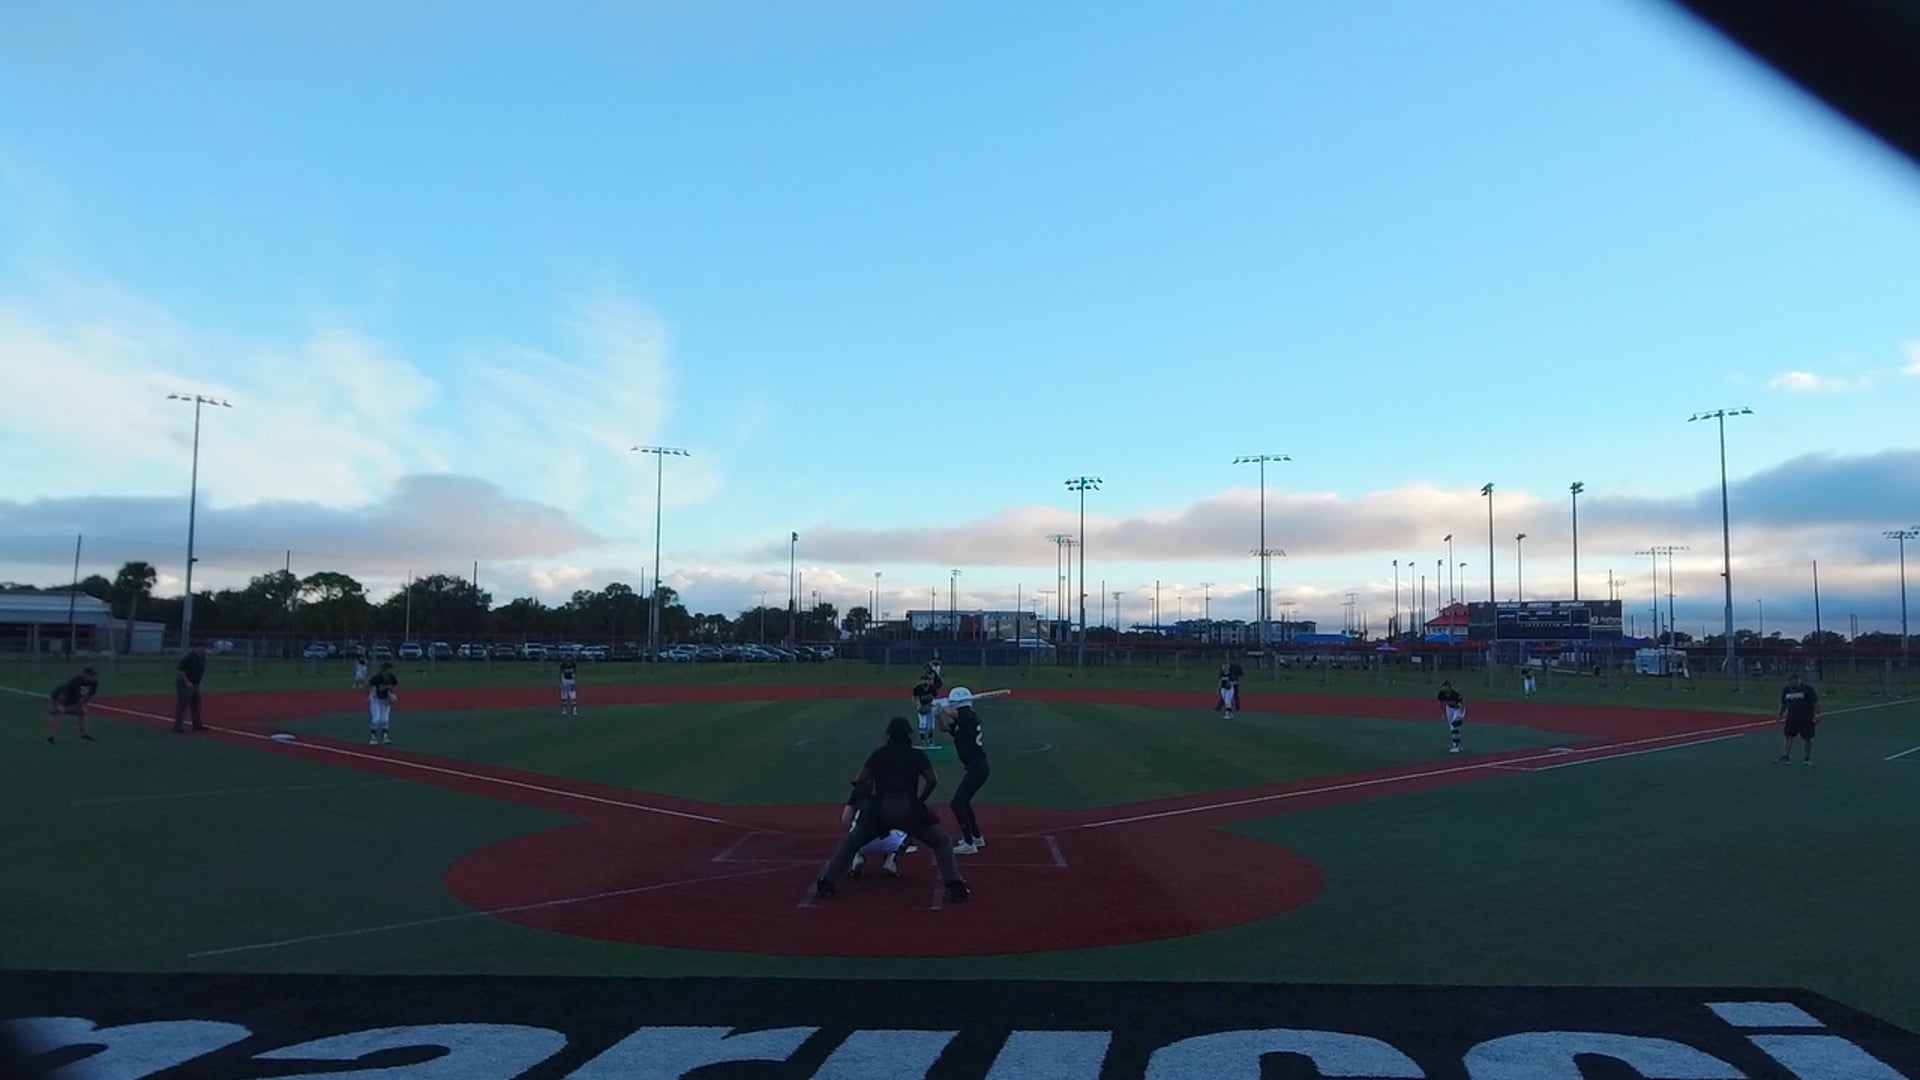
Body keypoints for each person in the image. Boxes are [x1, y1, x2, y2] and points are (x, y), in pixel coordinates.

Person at [814, 716, 968, 902]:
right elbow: (932, 780)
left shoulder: (879, 754)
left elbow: (860, 779)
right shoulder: (917, 755)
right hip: (908, 808)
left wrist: (870, 798)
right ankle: (954, 884)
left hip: (880, 809)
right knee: (941, 841)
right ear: (909, 735)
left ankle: (828, 881)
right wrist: (920, 800)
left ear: (888, 735)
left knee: (851, 842)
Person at [938, 686, 990, 853]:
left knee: (957, 804)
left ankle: (969, 843)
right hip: (976, 767)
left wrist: (943, 705)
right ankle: (976, 837)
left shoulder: (966, 715)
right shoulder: (964, 720)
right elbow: (945, 728)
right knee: (963, 802)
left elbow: (952, 713)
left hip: (977, 767)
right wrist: (937, 714)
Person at [841, 794, 913, 878]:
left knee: (853, 831)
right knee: (906, 831)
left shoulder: (861, 791)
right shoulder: (898, 792)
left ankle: (857, 858)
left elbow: (845, 819)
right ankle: (891, 861)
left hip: (862, 842)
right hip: (892, 843)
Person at [46, 666, 100, 745]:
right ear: (85, 675)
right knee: (59, 713)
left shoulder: (94, 683)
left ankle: (84, 735)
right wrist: (60, 705)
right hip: (57, 698)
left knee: (83, 712)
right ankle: (50, 737)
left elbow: (88, 695)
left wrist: (82, 704)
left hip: (72, 700)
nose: (93, 677)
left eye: (94, 675)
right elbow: (63, 694)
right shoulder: (75, 681)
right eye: (91, 675)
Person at [1777, 672, 1820, 765]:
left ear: (1797, 680)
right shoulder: (1786, 690)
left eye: (1790, 681)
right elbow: (1783, 704)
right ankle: (1786, 756)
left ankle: (1807, 757)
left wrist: (1816, 715)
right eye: (1788, 681)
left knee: (1807, 737)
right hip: (1792, 717)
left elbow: (1815, 703)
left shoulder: (1807, 689)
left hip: (1806, 718)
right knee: (1788, 736)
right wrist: (1779, 714)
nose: (1789, 683)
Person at [172, 642, 208, 734]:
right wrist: (187, 681)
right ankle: (177, 726)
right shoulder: (190, 657)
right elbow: (180, 670)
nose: (204, 650)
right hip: (185, 684)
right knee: (183, 705)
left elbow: (202, 671)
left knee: (196, 704)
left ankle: (197, 724)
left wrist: (201, 683)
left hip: (195, 683)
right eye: (202, 647)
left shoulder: (203, 657)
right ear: (197, 647)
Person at [367, 661, 400, 745]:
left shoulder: (392, 678)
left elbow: (393, 688)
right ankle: (373, 737)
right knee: (376, 719)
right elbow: (371, 688)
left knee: (384, 719)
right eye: (389, 669)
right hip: (376, 699)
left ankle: (385, 737)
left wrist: (391, 696)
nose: (391, 671)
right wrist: (372, 694)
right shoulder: (377, 678)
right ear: (384, 670)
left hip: (386, 699)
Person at [911, 667, 944, 749]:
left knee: (931, 725)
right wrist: (917, 705)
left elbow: (936, 697)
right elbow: (914, 696)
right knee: (923, 724)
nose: (927, 681)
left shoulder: (932, 688)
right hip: (922, 707)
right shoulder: (918, 688)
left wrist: (934, 704)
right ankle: (922, 741)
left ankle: (930, 740)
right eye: (925, 680)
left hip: (930, 707)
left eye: (928, 680)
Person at [1437, 680, 1466, 755]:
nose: (1444, 688)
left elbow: (1463, 703)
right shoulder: (1441, 694)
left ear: (1449, 687)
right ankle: (1458, 744)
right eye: (1444, 687)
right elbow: (1441, 702)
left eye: (1446, 687)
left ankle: (1456, 746)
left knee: (1454, 726)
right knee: (1451, 727)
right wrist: (1443, 713)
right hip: (1449, 709)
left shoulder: (1455, 694)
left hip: (1457, 709)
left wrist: (1461, 714)